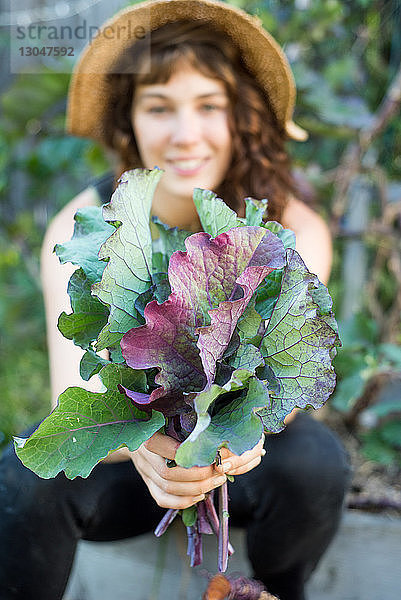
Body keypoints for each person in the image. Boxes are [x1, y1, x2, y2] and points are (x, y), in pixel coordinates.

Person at [0, 1, 351, 599]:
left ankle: (277, 589)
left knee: (316, 462)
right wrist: (140, 443)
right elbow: (78, 396)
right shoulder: (83, 227)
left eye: (209, 106)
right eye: (158, 108)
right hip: (128, 461)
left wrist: (224, 440)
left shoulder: (292, 226)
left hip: (243, 456)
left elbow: (288, 385)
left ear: (241, 115)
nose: (185, 135)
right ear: (128, 121)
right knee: (23, 477)